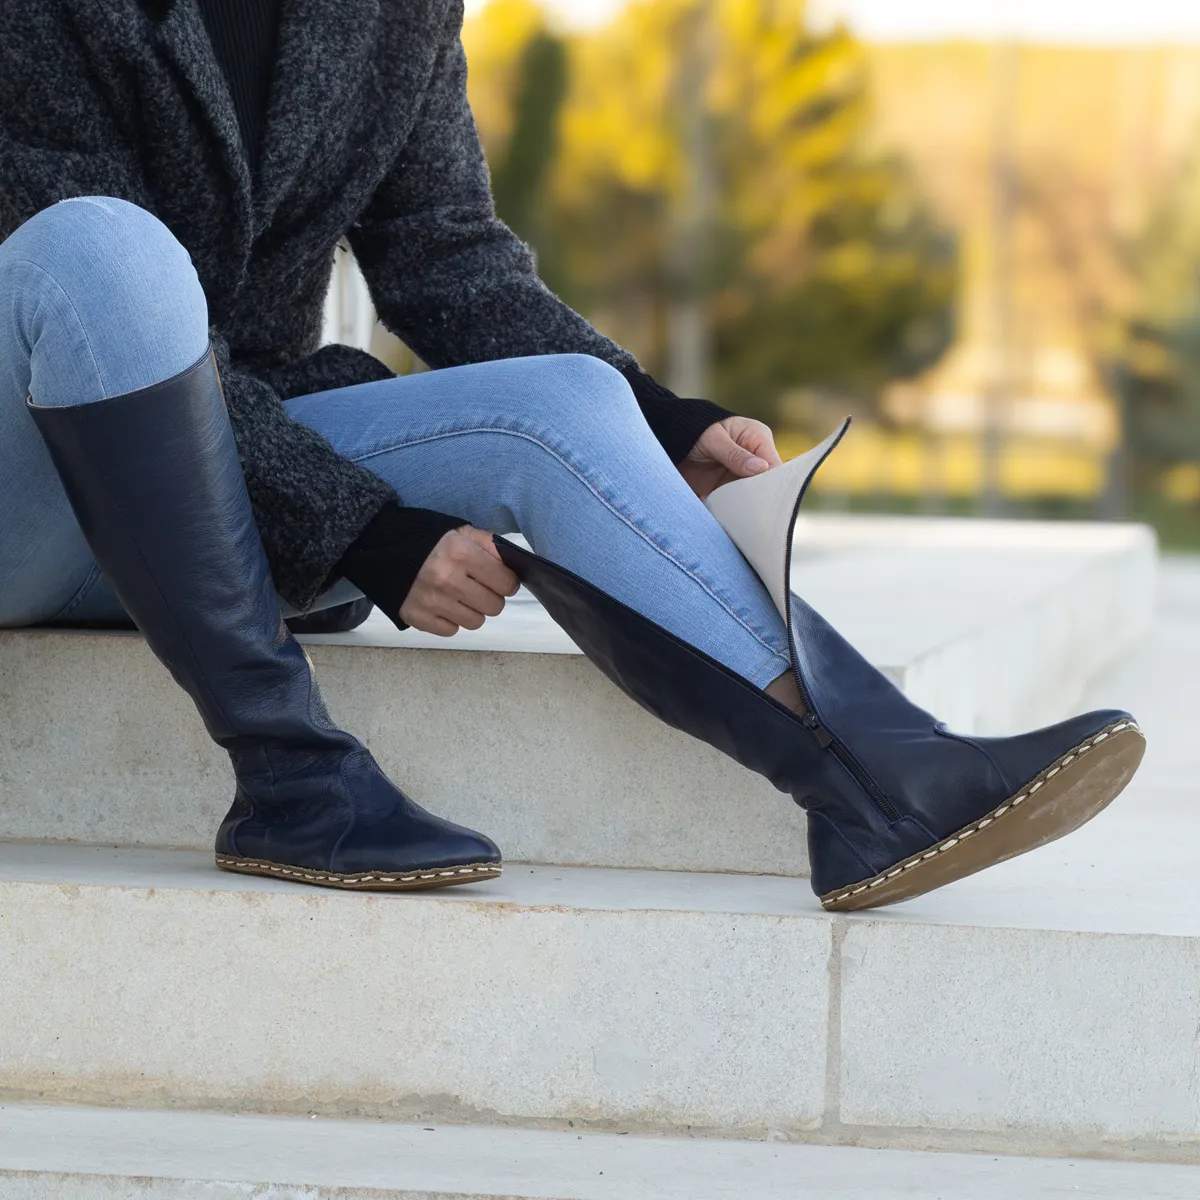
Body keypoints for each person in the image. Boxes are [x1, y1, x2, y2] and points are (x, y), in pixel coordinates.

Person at [0, 0, 1143, 910]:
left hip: (210, 496)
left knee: (567, 400)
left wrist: (667, 417)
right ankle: (293, 781)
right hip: (29, 490)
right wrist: (360, 528)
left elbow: (448, 259)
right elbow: (116, 317)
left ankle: (875, 779)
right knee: (106, 249)